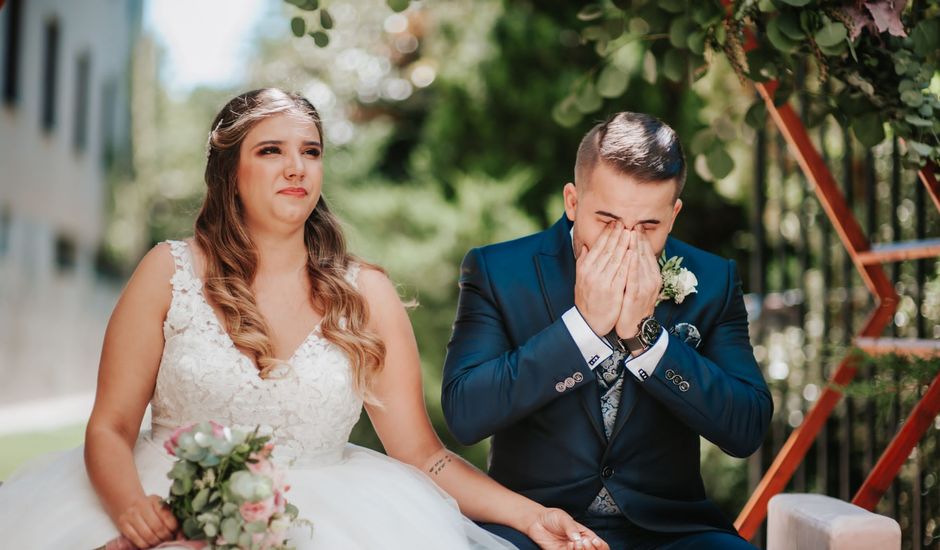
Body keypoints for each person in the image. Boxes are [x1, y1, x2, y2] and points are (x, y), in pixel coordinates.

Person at [0, 88, 610, 550]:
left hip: (334, 525)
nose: (297, 167)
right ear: (230, 172)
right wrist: (135, 514)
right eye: (271, 151)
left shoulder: (365, 293)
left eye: (310, 152)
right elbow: (108, 426)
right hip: (164, 506)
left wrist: (531, 515)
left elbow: (424, 457)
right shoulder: (167, 273)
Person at [441, 112, 773, 549]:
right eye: (608, 221)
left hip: (671, 532)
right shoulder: (499, 271)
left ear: (673, 215)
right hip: (533, 528)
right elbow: (466, 413)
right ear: (572, 201)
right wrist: (582, 330)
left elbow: (746, 428)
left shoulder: (713, 280)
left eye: (648, 227)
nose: (627, 243)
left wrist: (646, 340)